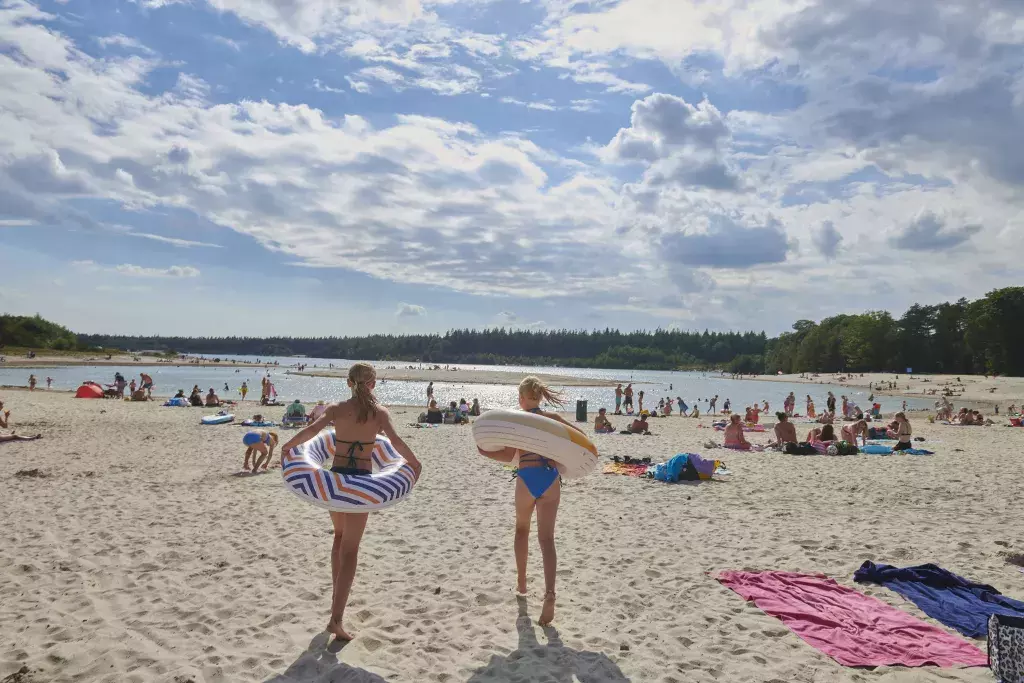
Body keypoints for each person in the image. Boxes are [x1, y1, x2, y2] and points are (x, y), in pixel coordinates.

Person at [280, 363, 422, 641]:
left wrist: (287, 446)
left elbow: (310, 432)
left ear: (349, 383)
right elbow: (396, 442)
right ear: (372, 384)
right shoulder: (378, 413)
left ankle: (336, 599)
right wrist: (415, 464)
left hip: (336, 480)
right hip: (360, 484)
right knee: (351, 550)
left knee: (339, 537)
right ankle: (336, 619)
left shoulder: (335, 409)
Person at [476, 376, 581, 626]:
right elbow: (579, 439)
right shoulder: (552, 421)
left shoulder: (519, 424)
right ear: (541, 397)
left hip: (527, 477)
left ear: (522, 398)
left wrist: (485, 452)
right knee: (547, 539)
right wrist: (558, 455)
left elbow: (508, 455)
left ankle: (522, 583)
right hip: (550, 478)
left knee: (522, 530)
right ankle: (550, 594)